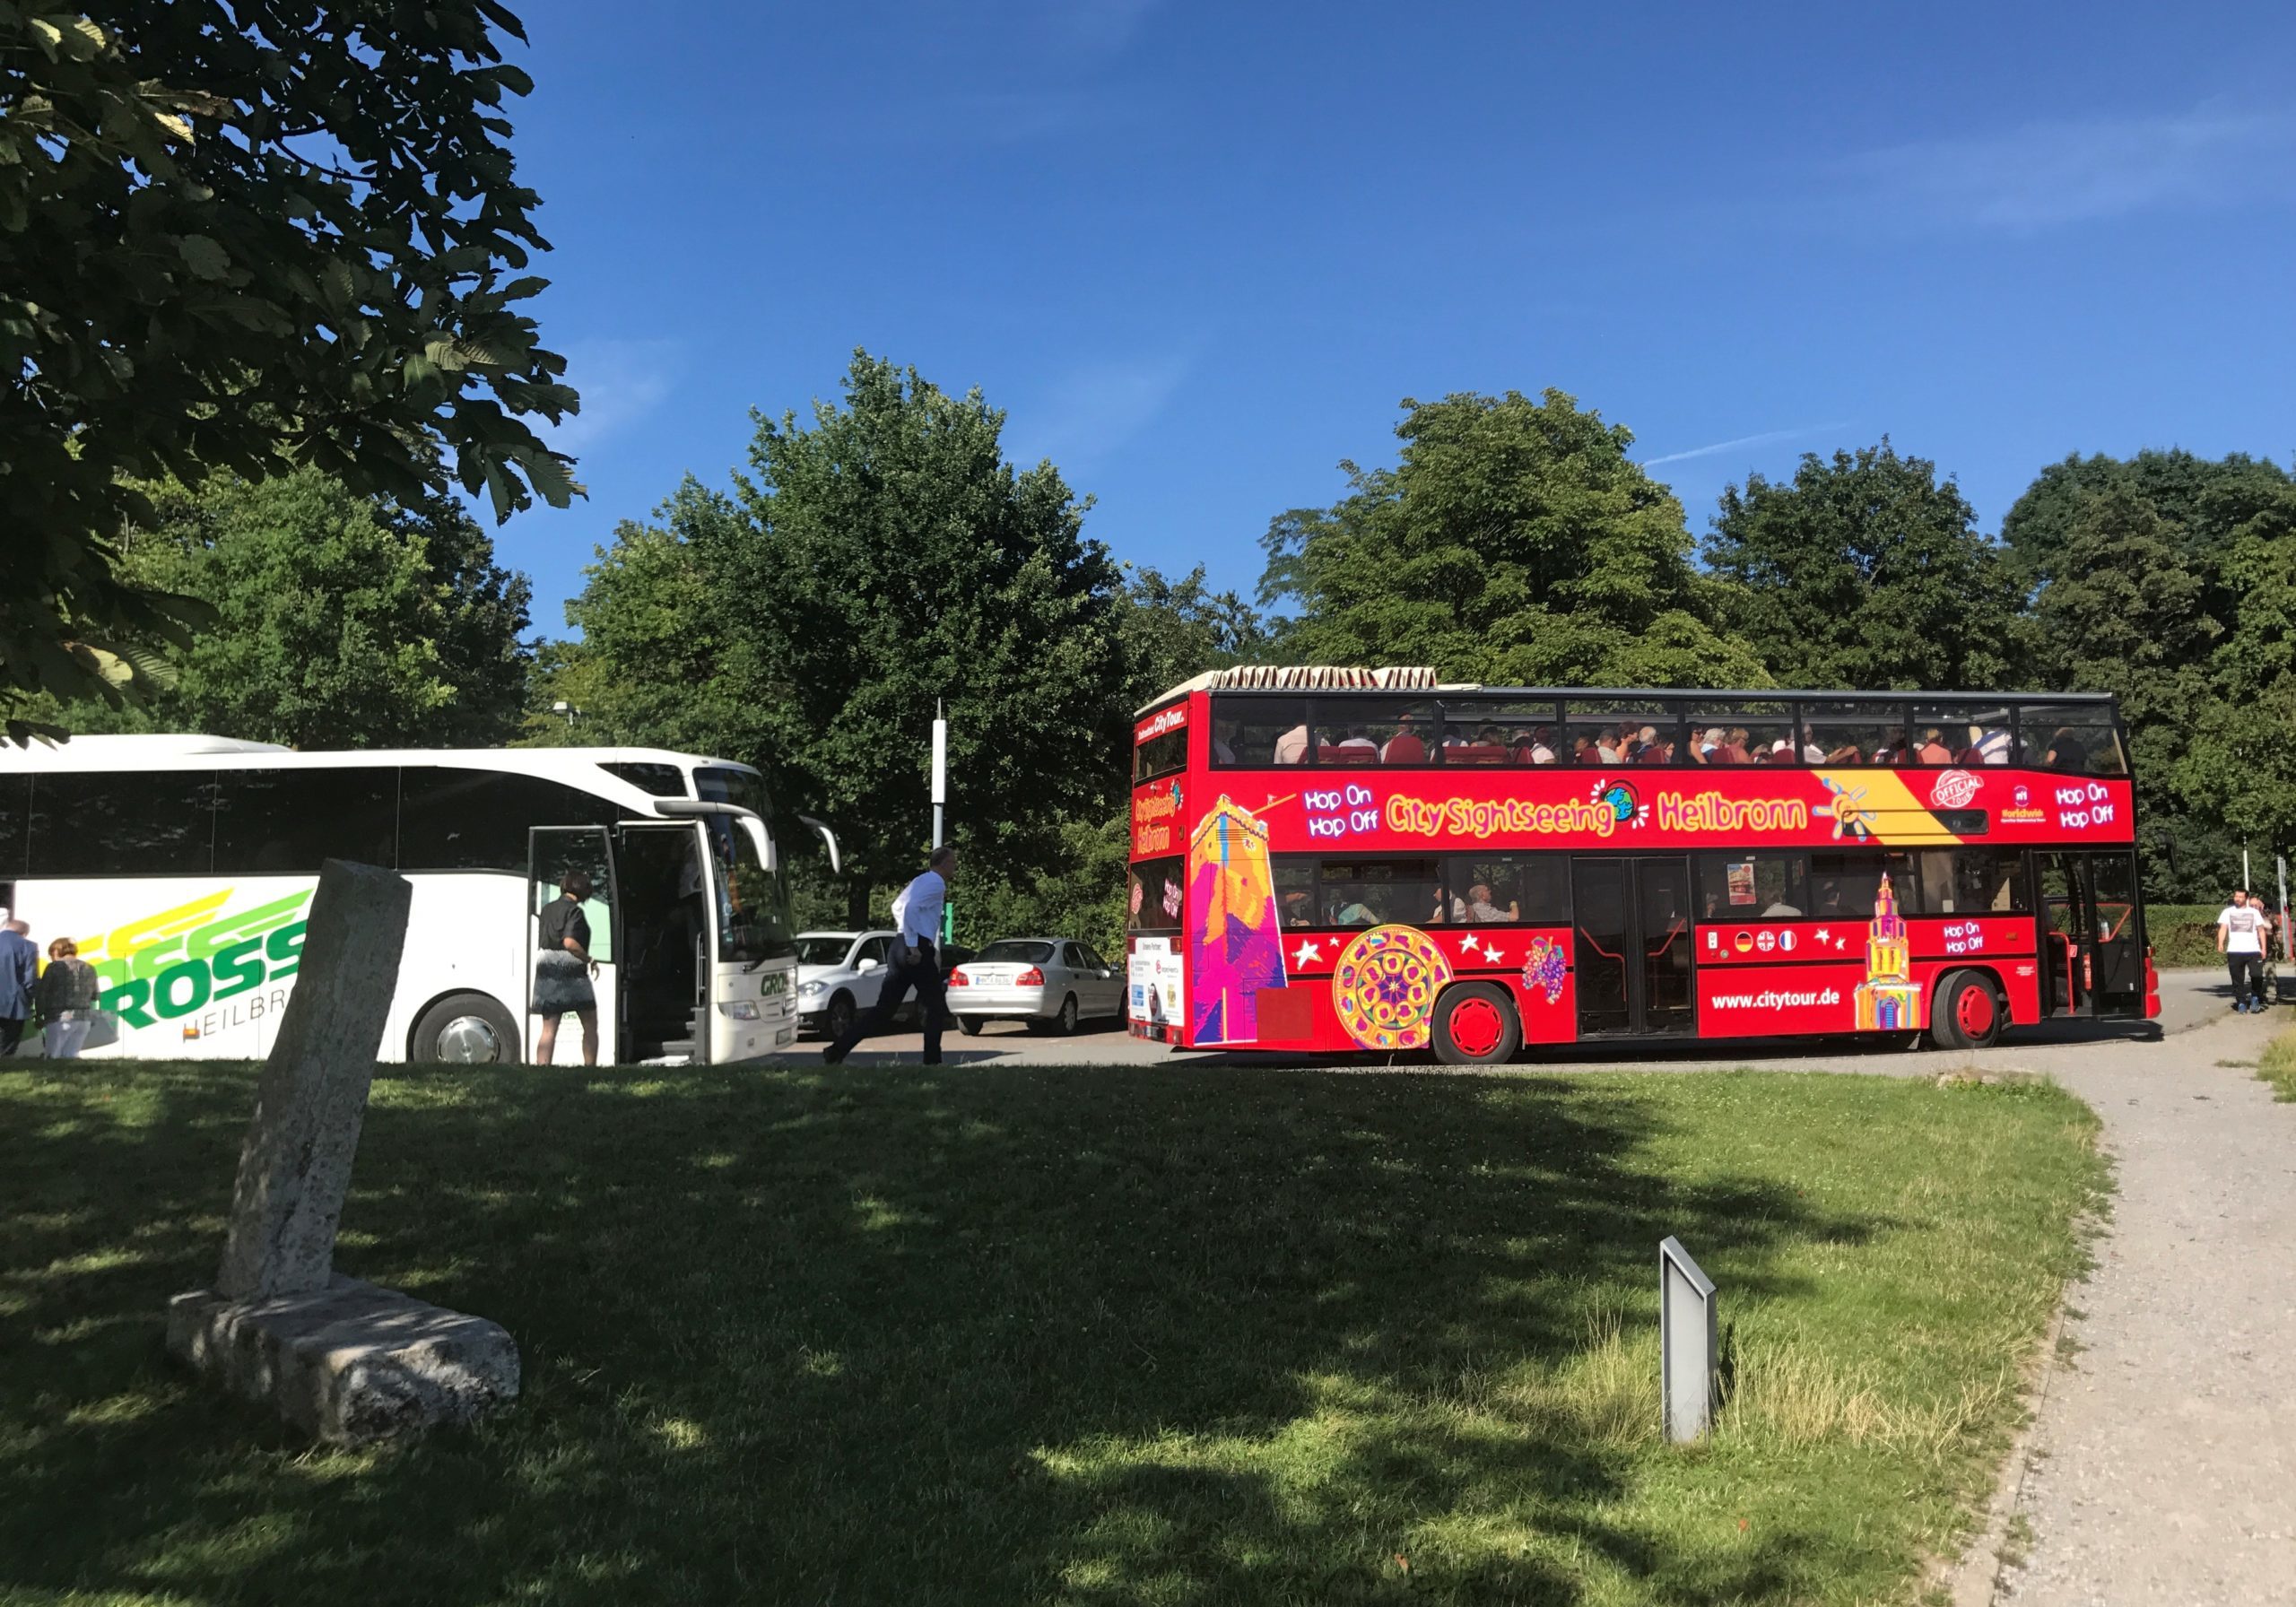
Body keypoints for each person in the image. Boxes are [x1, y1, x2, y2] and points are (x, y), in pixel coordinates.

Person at [825, 845, 957, 1065]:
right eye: (953, 863)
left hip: (898, 945)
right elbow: (910, 909)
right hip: (915, 948)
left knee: (883, 1010)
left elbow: (897, 906)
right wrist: (914, 945)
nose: (955, 867)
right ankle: (932, 1061)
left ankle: (837, 1050)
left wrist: (905, 937)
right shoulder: (936, 883)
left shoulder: (920, 881)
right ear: (944, 864)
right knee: (935, 1005)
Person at [534, 870, 601, 1065]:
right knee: (589, 1023)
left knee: (548, 1028)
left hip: (546, 967)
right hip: (570, 969)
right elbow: (570, 943)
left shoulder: (547, 909)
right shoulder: (575, 911)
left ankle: (542, 1069)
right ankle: (590, 1068)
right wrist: (589, 959)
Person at [34, 936, 101, 1059]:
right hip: (84, 1018)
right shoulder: (90, 967)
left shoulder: (54, 967)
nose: (51, 958)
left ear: (56, 951)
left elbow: (43, 993)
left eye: (51, 954)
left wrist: (39, 1015)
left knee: (52, 1054)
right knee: (71, 1055)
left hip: (60, 1017)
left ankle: (51, 1078)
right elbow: (95, 995)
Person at [2217, 888, 2269, 1013]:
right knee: (2237, 978)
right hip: (2235, 951)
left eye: (2240, 897)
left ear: (2246, 898)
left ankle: (2255, 997)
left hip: (2253, 950)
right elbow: (2223, 928)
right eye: (2236, 896)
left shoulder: (2254, 913)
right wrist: (2220, 943)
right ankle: (2241, 1002)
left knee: (2257, 975)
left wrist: (2264, 948)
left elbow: (2261, 931)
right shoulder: (2227, 912)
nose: (2238, 899)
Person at [0, 918, 36, 1056]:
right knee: (9, 1040)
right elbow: (29, 979)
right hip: (14, 1004)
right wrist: (32, 997)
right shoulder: (28, 946)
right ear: (24, 933)